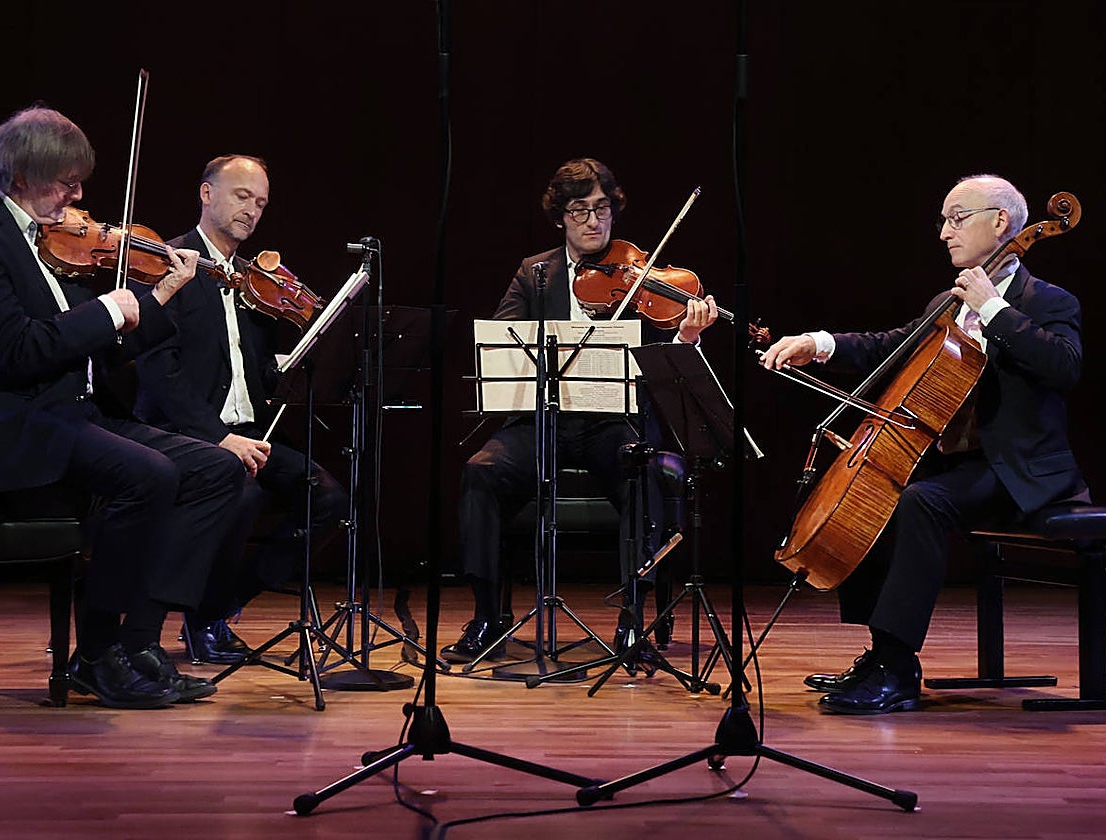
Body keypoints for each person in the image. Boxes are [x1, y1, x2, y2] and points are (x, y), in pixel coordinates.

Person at [0, 105, 248, 708]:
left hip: (65, 412)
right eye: (66, 181)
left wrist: (157, 294)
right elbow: (15, 352)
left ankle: (138, 642)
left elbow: (98, 345)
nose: (78, 194)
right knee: (149, 475)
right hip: (5, 423)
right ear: (21, 174)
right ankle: (94, 654)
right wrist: (108, 310)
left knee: (215, 469)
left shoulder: (38, 237)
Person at [760, 174, 1089, 714]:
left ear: (1000, 222)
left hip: (1021, 473)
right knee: (873, 502)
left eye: (956, 218)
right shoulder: (948, 300)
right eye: (943, 220)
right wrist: (816, 344)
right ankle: (881, 654)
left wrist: (994, 310)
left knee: (923, 502)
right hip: (961, 466)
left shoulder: (1047, 301)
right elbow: (891, 346)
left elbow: (1065, 367)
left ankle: (898, 669)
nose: (943, 232)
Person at [441, 157, 718, 664]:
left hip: (611, 422)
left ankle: (633, 620)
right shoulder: (536, 273)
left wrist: (687, 334)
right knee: (480, 472)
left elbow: (668, 365)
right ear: (559, 216)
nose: (593, 221)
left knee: (642, 472)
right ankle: (486, 614)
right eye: (579, 210)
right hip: (542, 419)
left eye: (602, 209)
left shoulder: (640, 276)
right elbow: (504, 341)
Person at [132, 155, 349, 665]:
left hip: (247, 430)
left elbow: (252, 371)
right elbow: (157, 370)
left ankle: (223, 604)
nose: (251, 210)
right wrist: (216, 436)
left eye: (260, 202)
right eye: (241, 196)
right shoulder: (170, 262)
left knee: (329, 499)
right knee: (242, 494)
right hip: (181, 432)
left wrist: (297, 358)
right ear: (206, 195)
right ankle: (200, 616)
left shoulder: (254, 282)